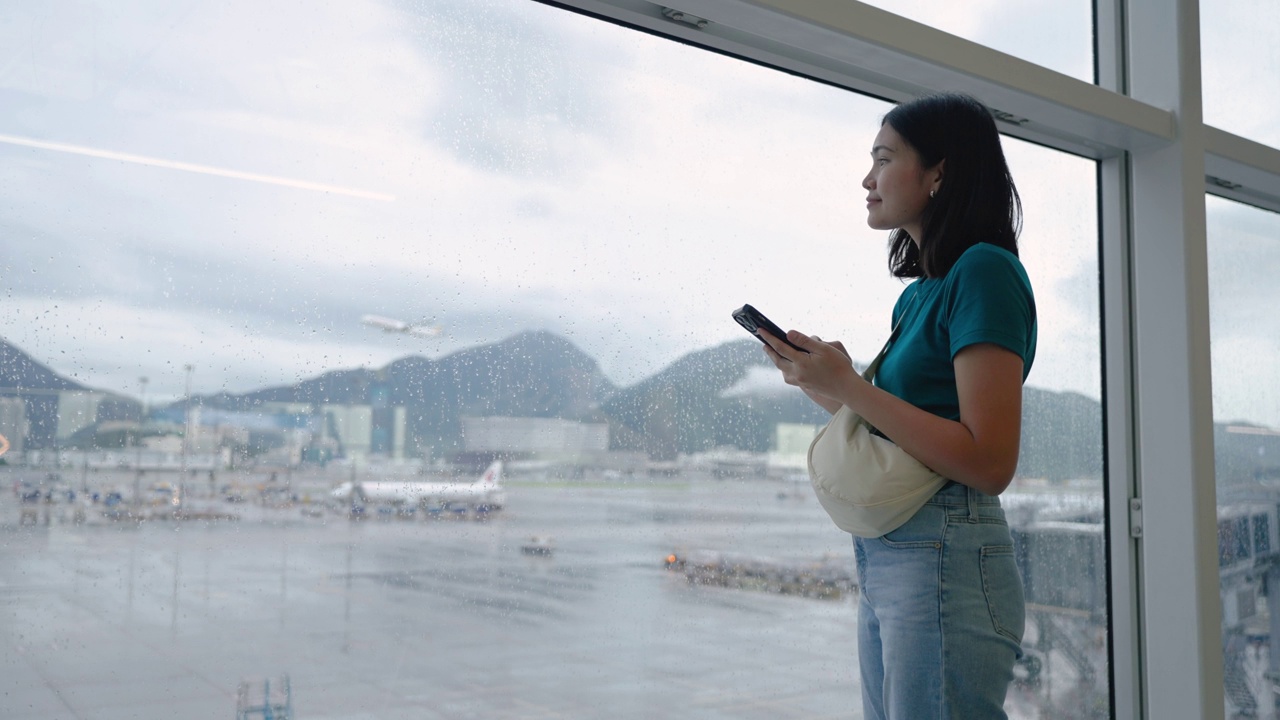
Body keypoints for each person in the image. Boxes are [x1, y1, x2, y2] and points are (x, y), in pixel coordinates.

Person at [757, 92, 1035, 719]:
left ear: (939, 172)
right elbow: (904, 439)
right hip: (895, 549)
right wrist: (821, 382)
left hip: (945, 548)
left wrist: (854, 387)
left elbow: (989, 461)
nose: (867, 178)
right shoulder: (920, 294)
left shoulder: (985, 272)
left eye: (883, 159)